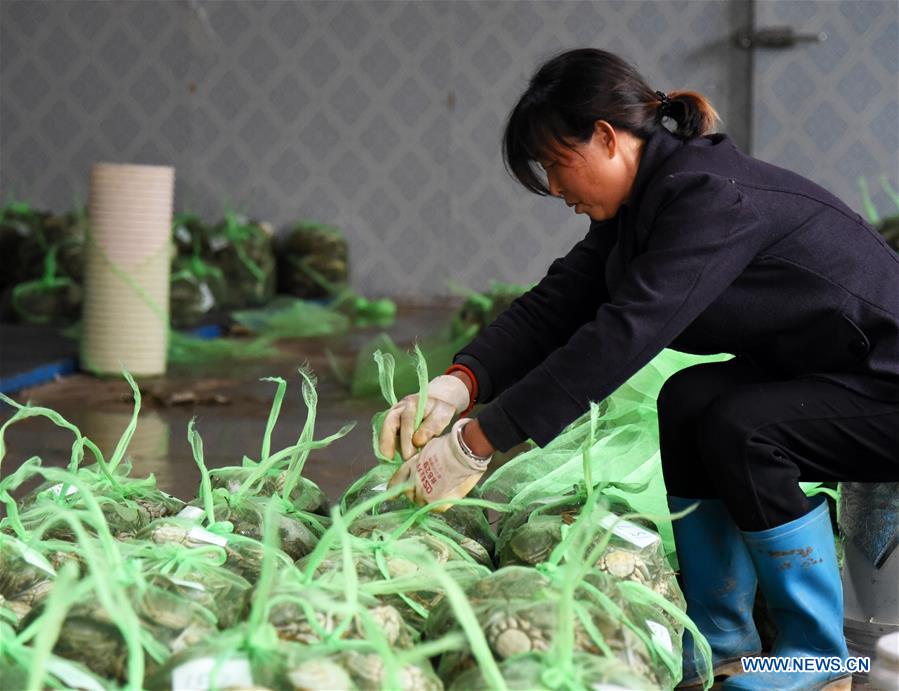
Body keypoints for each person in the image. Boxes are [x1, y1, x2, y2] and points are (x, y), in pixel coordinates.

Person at [380, 48, 899, 690]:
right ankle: (724, 640)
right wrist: (459, 384)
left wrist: (479, 443)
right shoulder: (648, 203)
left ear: (605, 137)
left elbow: (623, 335)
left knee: (746, 425)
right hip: (837, 379)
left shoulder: (710, 200)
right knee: (687, 398)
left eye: (557, 165)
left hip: (887, 388)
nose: (556, 188)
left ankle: (819, 658)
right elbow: (557, 304)